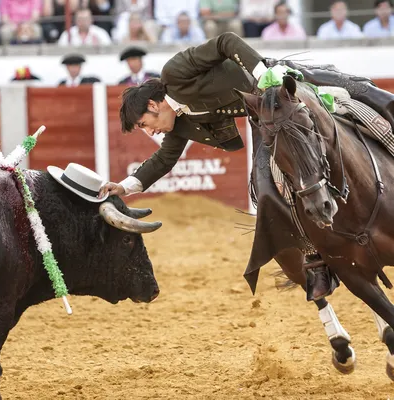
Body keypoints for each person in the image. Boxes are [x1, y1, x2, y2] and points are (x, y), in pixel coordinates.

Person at [98, 32, 394, 300]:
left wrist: (264, 74)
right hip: (265, 120)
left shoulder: (175, 73)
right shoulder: (180, 125)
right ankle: (315, 258)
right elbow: (163, 160)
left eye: (144, 125)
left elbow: (225, 41)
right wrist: (125, 186)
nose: (150, 132)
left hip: (282, 85)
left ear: (152, 106)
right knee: (267, 187)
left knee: (368, 94)